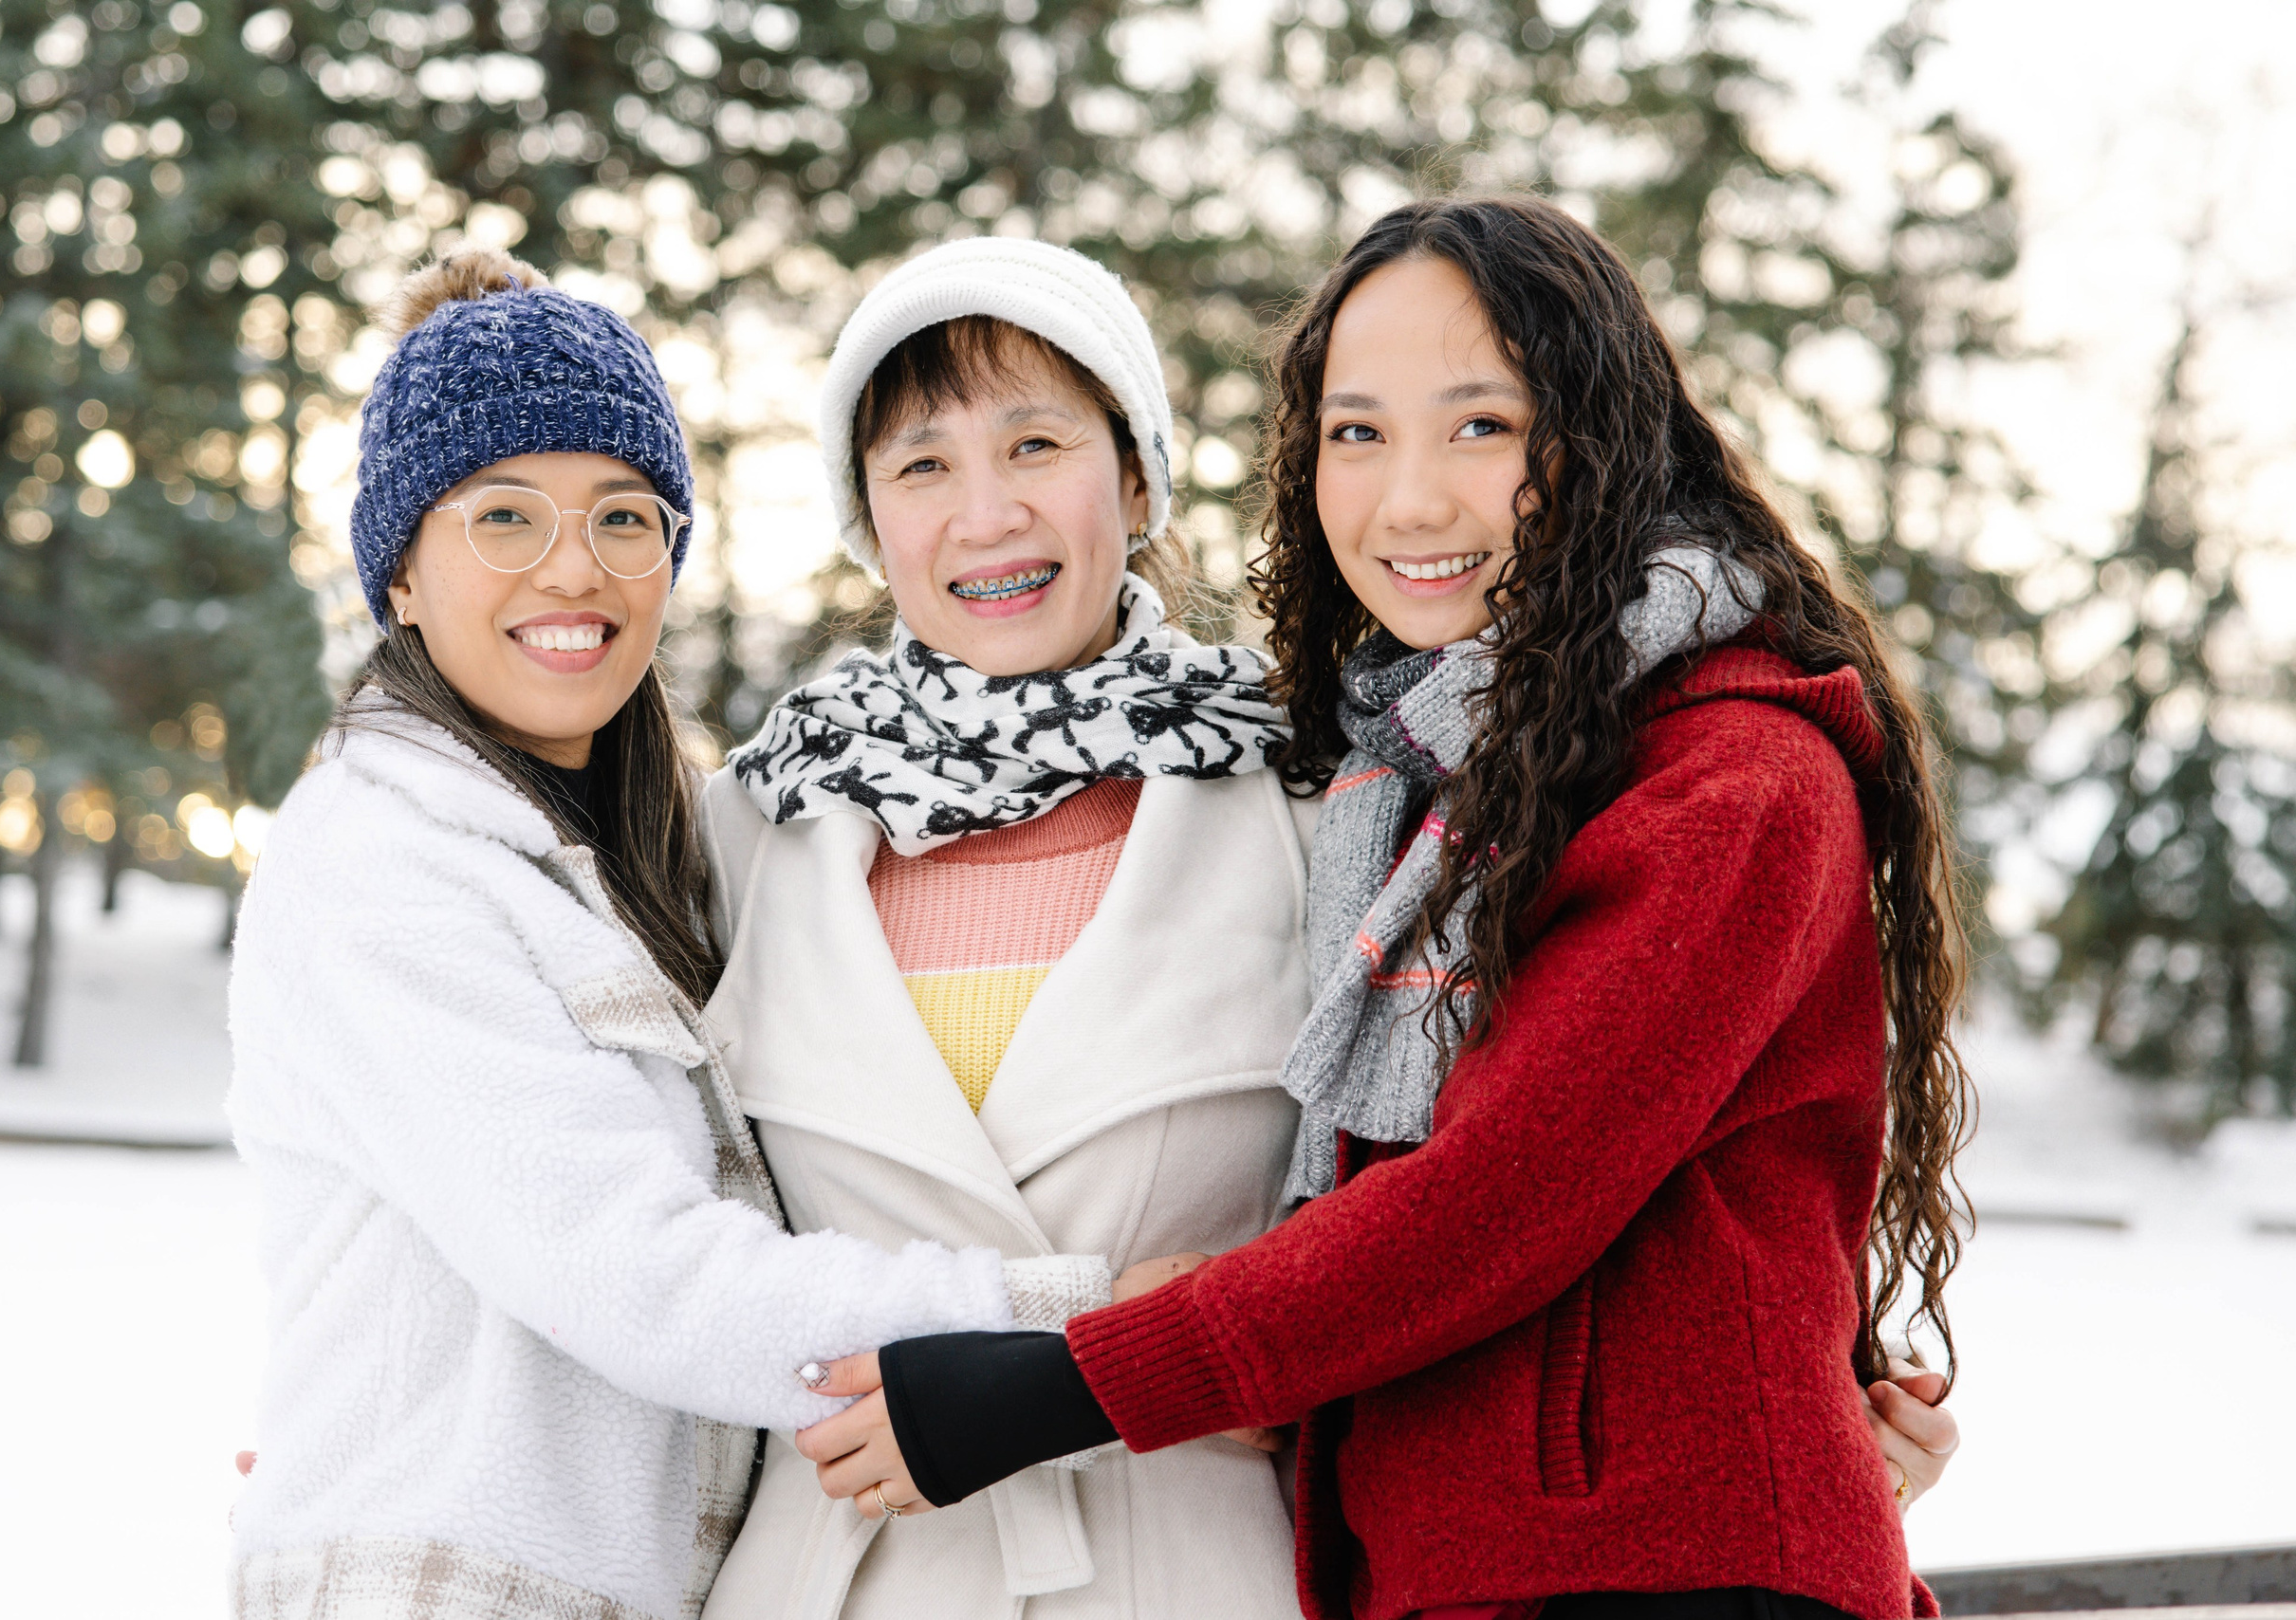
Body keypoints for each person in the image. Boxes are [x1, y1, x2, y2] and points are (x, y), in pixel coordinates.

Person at [795, 195, 1972, 1620]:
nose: (1410, 500)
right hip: (1459, 1565)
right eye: (1357, 432)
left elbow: (1495, 1200)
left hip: (1649, 1573)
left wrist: (1064, 1382)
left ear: (1605, 441)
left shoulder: (1730, 776)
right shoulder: (1420, 781)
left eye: (1480, 425)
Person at [222, 251, 1102, 1620]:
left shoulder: (662, 855)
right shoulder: (380, 862)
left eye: (624, 517)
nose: (574, 568)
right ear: (399, 575)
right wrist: (1091, 1329)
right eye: (503, 517)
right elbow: (637, 1274)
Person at [696, 237, 1315, 1620]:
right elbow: (626, 1229)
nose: (986, 514)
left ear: (1137, 480)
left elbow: (1442, 1231)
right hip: (836, 1579)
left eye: (1036, 443)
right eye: (922, 464)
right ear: (869, 518)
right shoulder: (749, 831)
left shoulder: (1304, 804)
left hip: (1190, 1575)